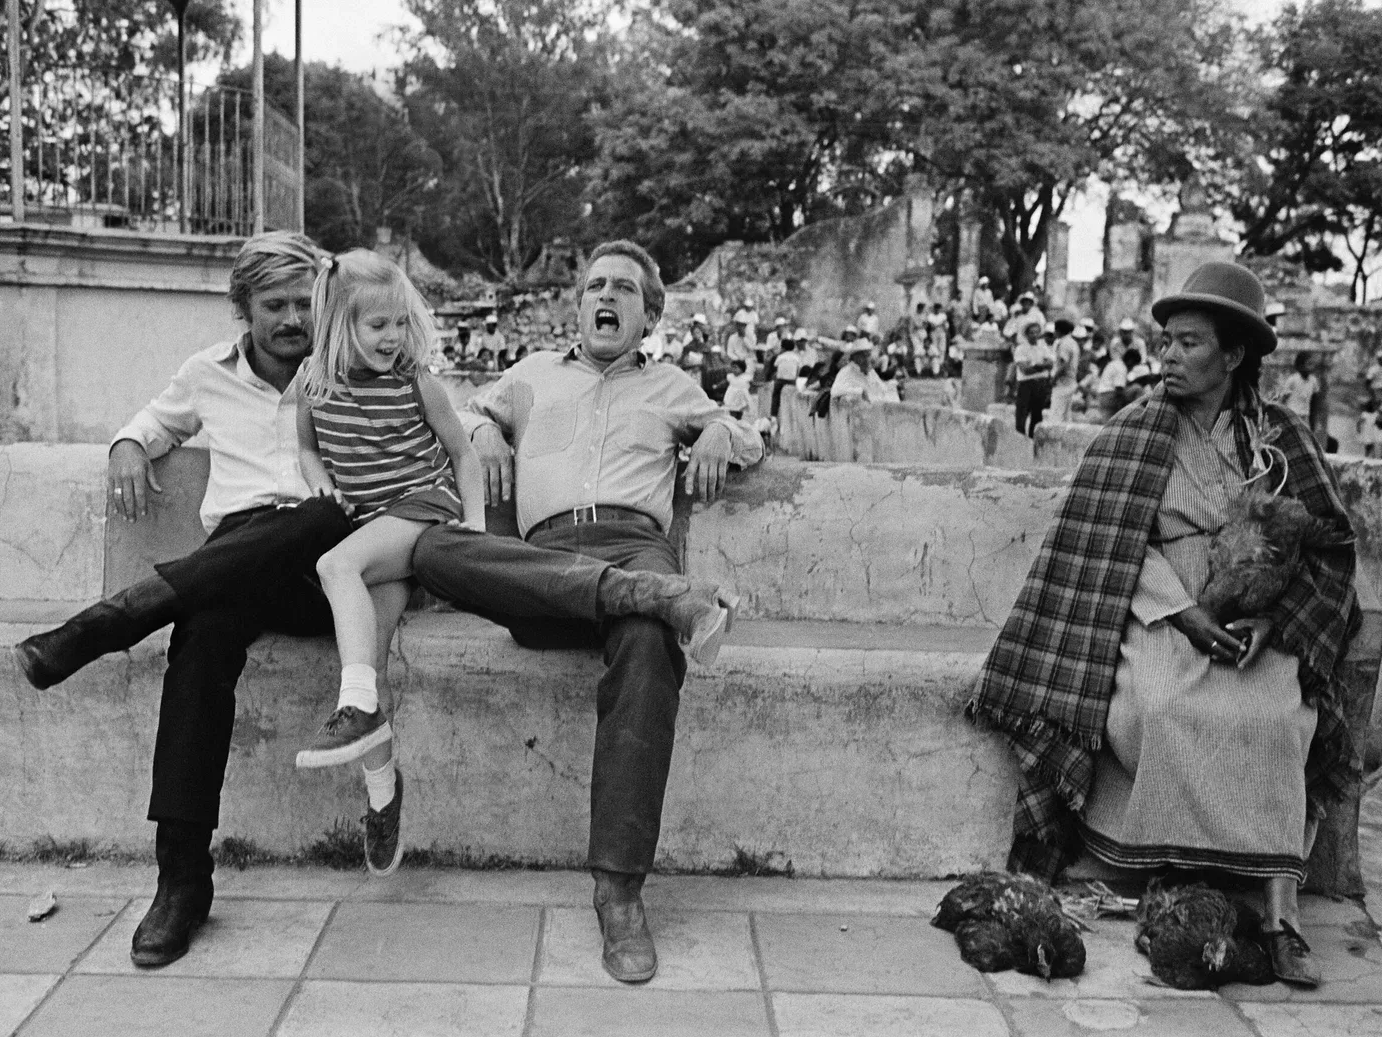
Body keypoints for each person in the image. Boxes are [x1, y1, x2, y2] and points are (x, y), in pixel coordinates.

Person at [971, 261, 1360, 989]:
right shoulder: (1133, 432)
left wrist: (1272, 624)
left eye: (1188, 343)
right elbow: (1105, 541)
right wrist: (1182, 611)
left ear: (1234, 354)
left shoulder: (1280, 437)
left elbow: (1329, 546)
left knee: (1278, 713)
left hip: (1252, 623)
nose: (1169, 357)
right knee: (1161, 705)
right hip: (1157, 611)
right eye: (1166, 342)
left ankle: (1280, 911)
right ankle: (1159, 873)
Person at [408, 239, 764, 984]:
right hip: (543, 564)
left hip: (636, 546)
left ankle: (620, 890)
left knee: (645, 639)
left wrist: (722, 433)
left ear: (648, 315)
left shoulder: (671, 385)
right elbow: (467, 411)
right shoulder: (530, 374)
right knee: (432, 550)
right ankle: (665, 601)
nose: (607, 297)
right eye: (595, 285)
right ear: (577, 304)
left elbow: (749, 435)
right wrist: (483, 433)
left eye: (625, 290)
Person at [11, 232, 364, 967]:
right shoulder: (207, 373)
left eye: (305, 302)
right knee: (201, 637)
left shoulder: (353, 366)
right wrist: (127, 447)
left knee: (323, 512)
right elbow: (150, 423)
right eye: (275, 305)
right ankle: (181, 877)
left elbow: (440, 416)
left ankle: (110, 622)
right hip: (233, 563)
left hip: (326, 570)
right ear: (244, 309)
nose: (294, 318)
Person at [289, 250, 488, 875]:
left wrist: (475, 531)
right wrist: (319, 478)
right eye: (378, 326)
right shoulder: (313, 383)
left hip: (423, 509)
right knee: (366, 655)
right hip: (374, 533)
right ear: (338, 325)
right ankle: (383, 794)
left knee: (333, 569)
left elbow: (464, 453)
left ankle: (351, 708)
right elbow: (305, 446)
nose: (393, 337)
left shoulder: (415, 380)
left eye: (400, 323)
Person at [1013, 321, 1054, 436]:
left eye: (1036, 332)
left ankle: (1033, 440)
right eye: (1031, 333)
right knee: (1022, 415)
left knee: (1037, 416)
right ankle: (1020, 442)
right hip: (1026, 384)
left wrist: (1034, 366)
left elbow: (1050, 364)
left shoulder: (1043, 347)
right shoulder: (1021, 349)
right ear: (1026, 334)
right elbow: (1025, 370)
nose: (1034, 335)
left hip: (1040, 384)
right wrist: (1040, 366)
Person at [830, 340, 894, 402]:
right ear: (856, 358)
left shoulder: (870, 371)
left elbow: (882, 388)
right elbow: (835, 391)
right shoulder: (847, 371)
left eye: (869, 355)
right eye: (865, 355)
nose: (868, 358)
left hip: (872, 408)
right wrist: (859, 391)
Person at [1047, 318, 1081, 423]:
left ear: (1059, 330)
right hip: (1070, 381)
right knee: (1066, 416)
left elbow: (1063, 364)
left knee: (1056, 415)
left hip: (1062, 383)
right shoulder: (1073, 343)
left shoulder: (1064, 344)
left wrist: (1054, 379)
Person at [1280, 352, 1318, 424]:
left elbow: (1314, 402)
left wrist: (1312, 421)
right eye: (1309, 364)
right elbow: (1283, 399)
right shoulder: (1292, 380)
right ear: (1301, 365)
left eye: (1312, 364)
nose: (1312, 367)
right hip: (1292, 415)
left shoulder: (1313, 381)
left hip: (1305, 416)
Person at [770, 333, 801, 418]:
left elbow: (776, 368)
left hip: (780, 380)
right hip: (792, 381)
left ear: (782, 348)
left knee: (776, 395)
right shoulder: (796, 357)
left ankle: (773, 414)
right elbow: (798, 370)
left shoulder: (780, 357)